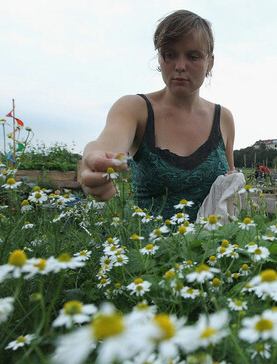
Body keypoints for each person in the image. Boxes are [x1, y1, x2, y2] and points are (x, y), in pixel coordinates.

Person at [80, 10, 236, 220]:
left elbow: (228, 184)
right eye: (169, 54)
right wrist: (92, 164)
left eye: (193, 56)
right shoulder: (134, 108)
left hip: (208, 248)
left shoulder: (223, 119)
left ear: (210, 62)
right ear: (159, 59)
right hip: (144, 249)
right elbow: (104, 147)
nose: (180, 66)